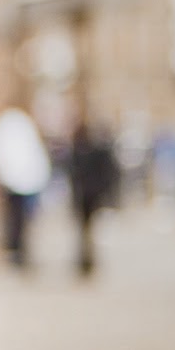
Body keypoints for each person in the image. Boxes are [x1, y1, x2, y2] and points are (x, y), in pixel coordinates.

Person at [0, 105, 50, 271]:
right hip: (19, 181)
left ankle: (20, 251)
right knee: (19, 220)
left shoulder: (12, 125)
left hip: (23, 181)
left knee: (22, 220)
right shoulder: (12, 125)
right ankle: (17, 251)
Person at [67, 110, 120, 277]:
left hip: (88, 195)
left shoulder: (90, 150)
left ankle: (87, 260)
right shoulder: (88, 150)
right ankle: (86, 260)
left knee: (87, 230)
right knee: (86, 230)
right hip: (89, 195)